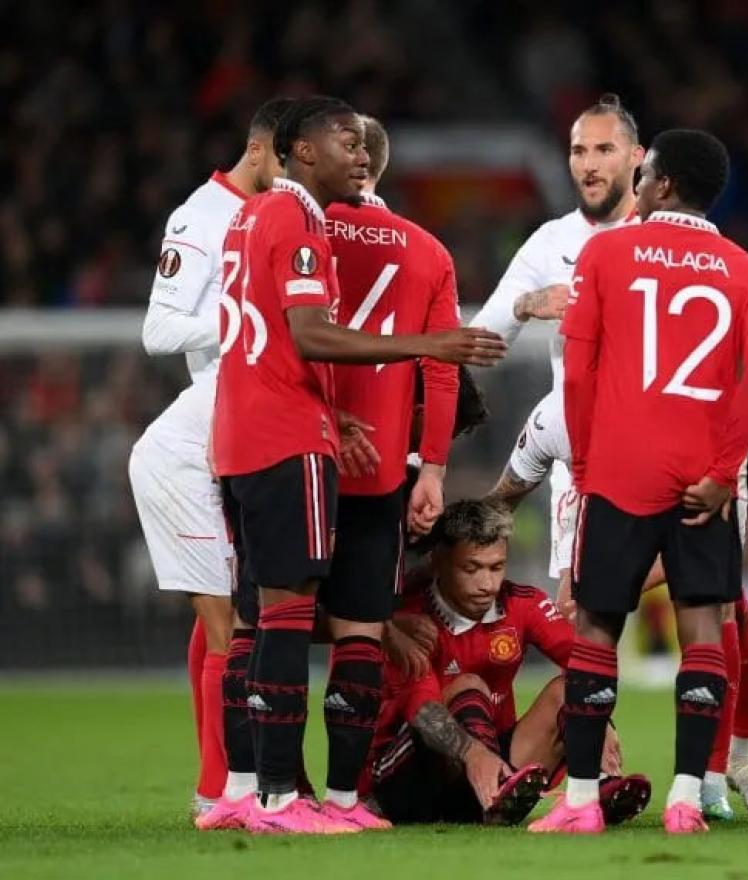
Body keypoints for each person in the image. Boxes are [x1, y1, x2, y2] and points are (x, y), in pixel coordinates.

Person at [210, 95, 506, 835]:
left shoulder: (251, 218)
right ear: (314, 152)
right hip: (350, 457)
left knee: (256, 619)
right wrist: (431, 464)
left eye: (356, 144)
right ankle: (326, 796)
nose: (356, 157)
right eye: (344, 144)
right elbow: (420, 368)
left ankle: (244, 785)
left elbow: (261, 333)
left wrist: (328, 411)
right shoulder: (416, 248)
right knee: (355, 630)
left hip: (272, 434)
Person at [530, 129, 748, 835]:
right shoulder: (747, 270)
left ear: (664, 185)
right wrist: (726, 471)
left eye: (644, 176)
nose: (635, 185)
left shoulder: (605, 252)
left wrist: (583, 463)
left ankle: (580, 803)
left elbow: (578, 370)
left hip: (620, 471)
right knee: (705, 629)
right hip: (703, 475)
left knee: (595, 629)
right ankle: (685, 797)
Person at [485, 390, 748, 818]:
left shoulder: (681, 415)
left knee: (721, 602)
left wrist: (612, 584)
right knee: (582, 631)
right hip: (595, 497)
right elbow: (503, 497)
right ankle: (596, 781)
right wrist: (449, 546)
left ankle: (728, 763)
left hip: (690, 478)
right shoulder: (555, 416)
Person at [128, 96, 290, 821]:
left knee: (221, 611)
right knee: (230, 618)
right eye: (290, 161)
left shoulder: (280, 213)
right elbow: (159, 329)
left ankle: (213, 782)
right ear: (259, 151)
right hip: (206, 431)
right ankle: (229, 788)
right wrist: (246, 322)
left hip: (240, 424)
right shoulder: (201, 216)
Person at [368, 500, 651, 827]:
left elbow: (586, 661)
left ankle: (593, 787)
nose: (487, 584)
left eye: (496, 567)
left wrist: (600, 722)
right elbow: (423, 710)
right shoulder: (412, 619)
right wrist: (475, 755)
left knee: (570, 692)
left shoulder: (522, 604)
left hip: (488, 775)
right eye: (471, 569)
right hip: (406, 778)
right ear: (440, 561)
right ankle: (498, 786)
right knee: (469, 686)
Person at [470, 93, 643, 587]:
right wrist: (527, 304)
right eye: (578, 151)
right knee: (578, 608)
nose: (588, 165)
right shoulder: (551, 241)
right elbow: (482, 339)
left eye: (604, 150)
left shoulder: (666, 233)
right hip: (582, 455)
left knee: (698, 608)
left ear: (636, 157)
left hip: (660, 451)